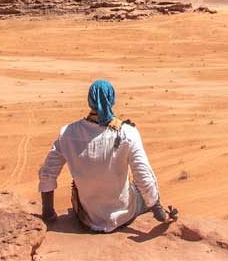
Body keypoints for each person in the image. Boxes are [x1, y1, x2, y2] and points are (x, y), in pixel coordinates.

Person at [37, 79, 173, 232]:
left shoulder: (67, 133)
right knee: (138, 190)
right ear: (112, 99)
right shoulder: (127, 132)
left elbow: (48, 172)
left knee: (76, 184)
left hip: (87, 218)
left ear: (89, 100)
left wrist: (48, 213)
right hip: (124, 215)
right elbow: (143, 175)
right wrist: (160, 213)